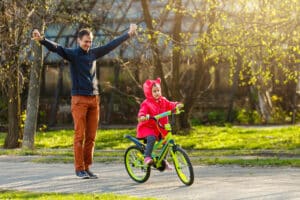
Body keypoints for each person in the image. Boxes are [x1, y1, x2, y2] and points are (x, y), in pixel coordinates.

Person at [32, 24, 137, 179]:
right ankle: (79, 168)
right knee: (79, 135)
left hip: (94, 98)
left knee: (91, 137)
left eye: (90, 41)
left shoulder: (93, 54)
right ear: (78, 40)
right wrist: (42, 39)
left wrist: (128, 34)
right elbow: (57, 48)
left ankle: (87, 168)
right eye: (85, 41)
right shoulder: (73, 54)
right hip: (79, 99)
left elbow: (110, 46)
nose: (88, 44)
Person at [137, 78, 183, 169]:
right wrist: (143, 116)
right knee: (152, 138)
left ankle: (163, 161)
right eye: (154, 91)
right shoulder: (146, 103)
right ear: (149, 93)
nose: (157, 93)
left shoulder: (163, 100)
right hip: (148, 127)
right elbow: (142, 111)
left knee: (167, 141)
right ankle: (147, 157)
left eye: (158, 90)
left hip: (160, 127)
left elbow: (170, 104)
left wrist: (176, 105)